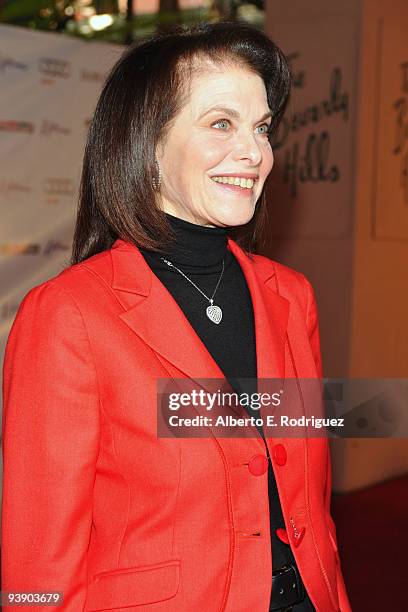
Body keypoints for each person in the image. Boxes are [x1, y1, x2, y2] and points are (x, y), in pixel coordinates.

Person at [1, 22, 351, 612]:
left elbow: (308, 504)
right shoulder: (70, 315)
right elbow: (38, 562)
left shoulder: (291, 298)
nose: (255, 152)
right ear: (148, 143)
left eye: (262, 128)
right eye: (221, 124)